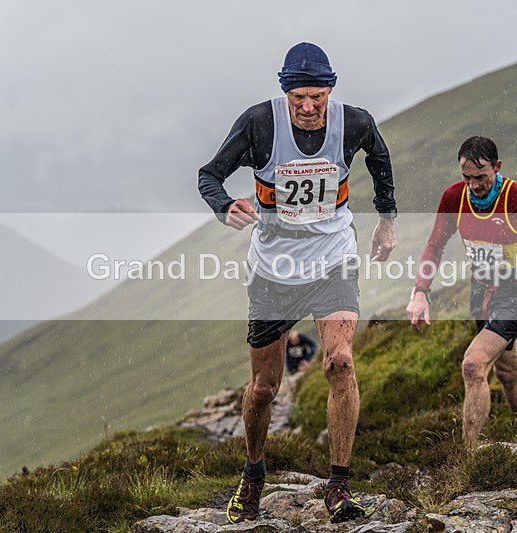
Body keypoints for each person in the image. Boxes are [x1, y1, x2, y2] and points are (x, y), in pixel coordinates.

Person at [199, 42, 397, 524]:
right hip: (274, 270)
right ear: (285, 92)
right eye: (298, 98)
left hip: (333, 259)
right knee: (264, 388)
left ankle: (339, 485)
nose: (308, 108)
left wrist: (386, 219)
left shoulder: (354, 122)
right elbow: (209, 176)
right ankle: (253, 474)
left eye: (317, 97)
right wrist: (225, 206)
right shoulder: (259, 123)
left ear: (330, 90)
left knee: (340, 364)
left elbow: (379, 157)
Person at [406, 136, 517, 446]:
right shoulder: (454, 198)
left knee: (473, 364)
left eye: (480, 177)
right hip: (482, 293)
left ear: (497, 167)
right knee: (507, 373)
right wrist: (420, 291)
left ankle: (466, 458)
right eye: (467, 177)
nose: (474, 185)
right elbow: (434, 246)